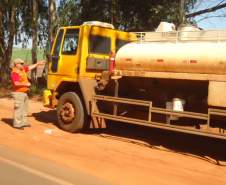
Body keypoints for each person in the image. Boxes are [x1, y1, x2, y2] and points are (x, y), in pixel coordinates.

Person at [11, 58, 44, 130]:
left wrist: (38, 63)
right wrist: (26, 84)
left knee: (24, 109)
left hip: (24, 93)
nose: (23, 64)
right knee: (19, 109)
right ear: (16, 64)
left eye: (23, 63)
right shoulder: (15, 72)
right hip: (18, 93)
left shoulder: (22, 70)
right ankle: (17, 124)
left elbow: (30, 67)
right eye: (21, 63)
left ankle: (23, 122)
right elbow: (16, 83)